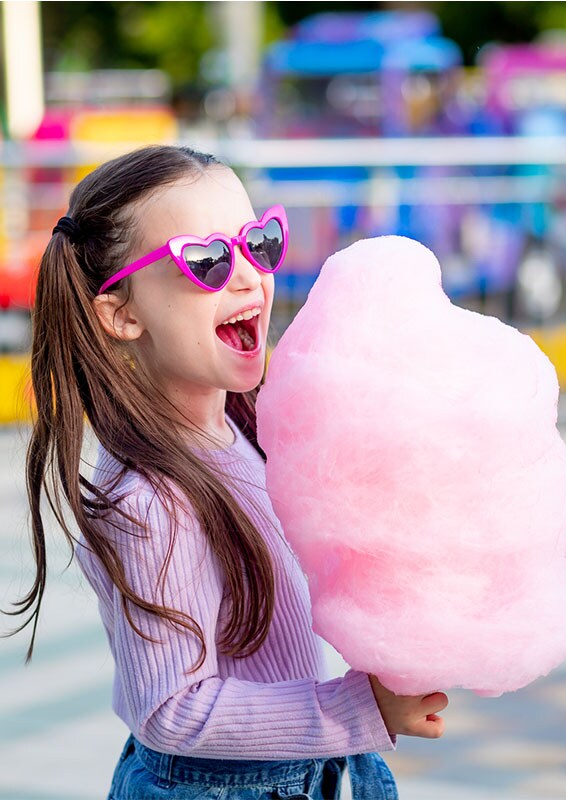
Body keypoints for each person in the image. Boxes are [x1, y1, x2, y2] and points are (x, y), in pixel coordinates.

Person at [9, 145, 448, 799]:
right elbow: (171, 713)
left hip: (297, 772)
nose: (247, 276)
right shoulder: (151, 503)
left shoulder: (243, 426)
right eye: (208, 260)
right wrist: (363, 709)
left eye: (259, 242)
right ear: (122, 313)